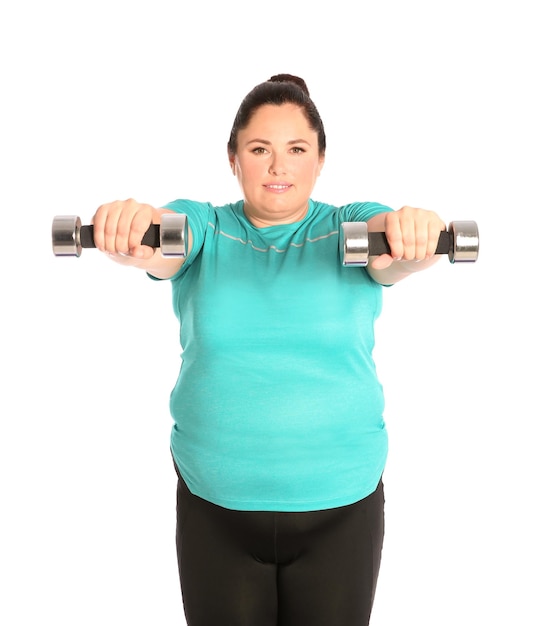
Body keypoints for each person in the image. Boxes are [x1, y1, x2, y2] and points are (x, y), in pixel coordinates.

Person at [91, 74, 446, 626]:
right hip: (216, 507)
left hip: (340, 507)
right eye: (260, 149)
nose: (279, 166)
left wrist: (414, 233)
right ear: (233, 158)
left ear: (320, 160)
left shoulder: (350, 227)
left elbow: (392, 251)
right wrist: (131, 229)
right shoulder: (206, 227)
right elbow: (158, 242)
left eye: (296, 150)